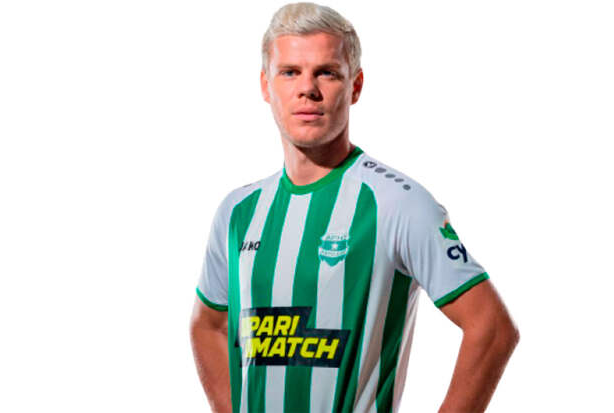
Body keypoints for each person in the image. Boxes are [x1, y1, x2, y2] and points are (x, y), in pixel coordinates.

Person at [189, 2, 519, 412]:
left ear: (355, 86)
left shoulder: (397, 203)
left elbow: (492, 328)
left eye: (326, 72)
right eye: (290, 72)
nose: (307, 88)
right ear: (265, 85)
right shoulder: (238, 211)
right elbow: (208, 324)